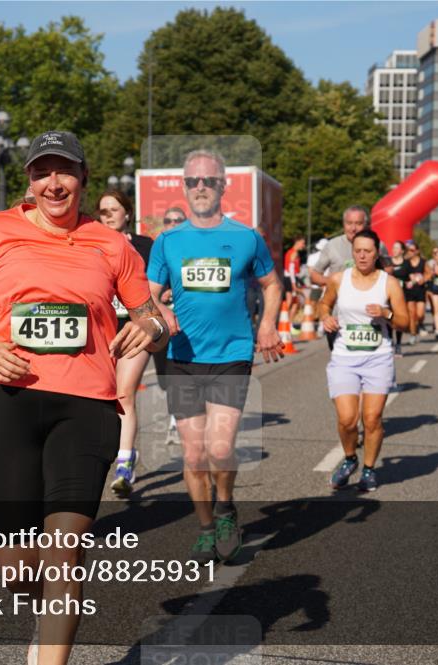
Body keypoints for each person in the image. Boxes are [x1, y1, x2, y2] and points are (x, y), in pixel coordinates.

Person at [0, 130, 168, 665]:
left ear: (83, 179)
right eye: (43, 172)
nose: (54, 183)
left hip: (86, 407)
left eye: (65, 172)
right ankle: (46, 621)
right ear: (30, 181)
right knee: (17, 569)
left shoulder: (112, 244)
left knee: (64, 553)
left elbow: (151, 317)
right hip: (13, 403)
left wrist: (149, 329)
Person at [147, 149, 283, 564]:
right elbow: (147, 296)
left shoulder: (246, 238)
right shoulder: (167, 241)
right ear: (185, 187)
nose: (201, 187)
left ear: (223, 185)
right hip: (183, 356)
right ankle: (206, 527)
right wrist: (161, 312)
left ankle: (225, 508)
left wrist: (267, 324)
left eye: (208, 180)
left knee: (220, 448)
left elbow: (272, 284)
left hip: (231, 353)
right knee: (192, 454)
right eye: (193, 182)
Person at [319, 229, 409, 492]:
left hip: (378, 358)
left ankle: (369, 468)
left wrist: (386, 312)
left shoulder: (388, 283)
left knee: (372, 419)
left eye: (367, 251)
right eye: (357, 250)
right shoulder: (338, 279)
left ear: (376, 253)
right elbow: (324, 304)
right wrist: (325, 317)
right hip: (344, 357)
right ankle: (350, 459)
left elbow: (406, 322)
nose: (361, 255)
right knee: (348, 420)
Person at [97, 188, 154, 497]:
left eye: (114, 209)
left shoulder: (145, 246)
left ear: (127, 213)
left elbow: (161, 280)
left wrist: (164, 296)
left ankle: (124, 462)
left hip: (135, 329)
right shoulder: (90, 244)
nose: (108, 215)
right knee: (99, 397)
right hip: (100, 331)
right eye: (103, 211)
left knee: (123, 394)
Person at [309, 205, 381, 350]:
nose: (353, 228)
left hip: (369, 314)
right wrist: (332, 281)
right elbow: (314, 275)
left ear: (366, 225)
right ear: (344, 224)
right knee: (339, 358)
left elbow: (388, 270)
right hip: (338, 314)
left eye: (358, 224)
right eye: (349, 223)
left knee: (367, 358)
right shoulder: (332, 245)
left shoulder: (376, 244)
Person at [155, 208, 187, 445]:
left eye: (179, 220)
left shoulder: (193, 247)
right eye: (169, 220)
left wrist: (175, 290)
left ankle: (179, 422)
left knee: (184, 373)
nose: (174, 224)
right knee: (165, 377)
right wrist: (159, 295)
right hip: (161, 323)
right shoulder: (158, 247)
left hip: (188, 322)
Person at [401, 240, 431, 345]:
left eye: (412, 250)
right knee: (412, 314)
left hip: (420, 291)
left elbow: (429, 273)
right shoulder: (405, 262)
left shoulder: (423, 262)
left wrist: (424, 279)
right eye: (408, 250)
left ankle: (420, 324)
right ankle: (413, 334)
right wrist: (407, 280)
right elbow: (401, 274)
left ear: (417, 251)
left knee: (420, 314)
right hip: (409, 291)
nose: (410, 252)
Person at [385, 240, 408, 356]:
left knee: (398, 320)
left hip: (402, 295)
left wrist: (412, 281)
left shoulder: (406, 263)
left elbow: (411, 276)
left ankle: (398, 344)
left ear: (402, 251)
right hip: (388, 295)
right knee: (389, 318)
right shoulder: (387, 262)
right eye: (393, 247)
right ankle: (389, 341)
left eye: (397, 248)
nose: (394, 250)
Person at [284, 235, 306, 331]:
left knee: (294, 303)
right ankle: (284, 322)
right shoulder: (294, 253)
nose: (304, 245)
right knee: (291, 302)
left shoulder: (291, 252)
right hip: (290, 278)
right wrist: (294, 284)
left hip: (290, 278)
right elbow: (291, 269)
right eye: (303, 243)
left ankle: (288, 323)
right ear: (297, 243)